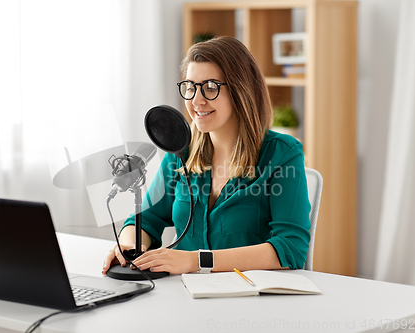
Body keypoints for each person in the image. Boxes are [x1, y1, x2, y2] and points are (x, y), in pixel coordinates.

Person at [102, 36, 311, 275]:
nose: (196, 100)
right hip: (185, 295)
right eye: (190, 87)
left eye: (211, 87)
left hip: (251, 297)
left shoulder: (282, 153)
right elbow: (147, 219)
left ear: (241, 91)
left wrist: (196, 261)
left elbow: (291, 248)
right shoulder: (182, 151)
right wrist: (130, 244)